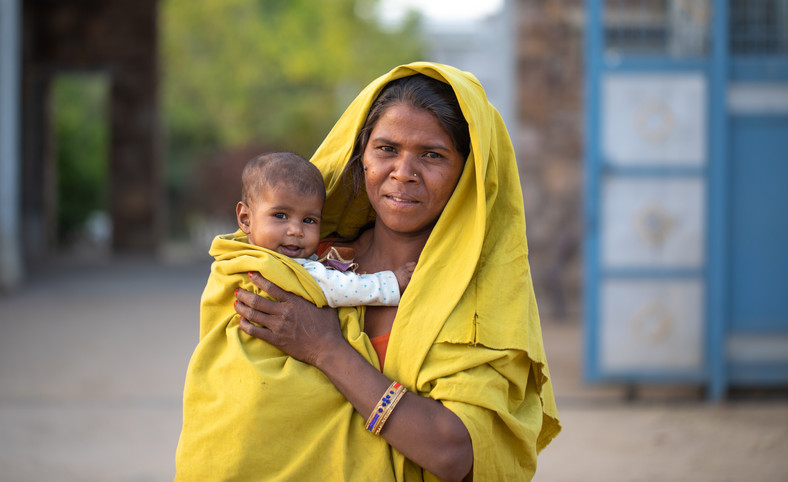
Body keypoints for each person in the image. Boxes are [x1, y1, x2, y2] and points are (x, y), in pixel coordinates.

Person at [176, 62, 560, 481]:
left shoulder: (478, 296)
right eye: (387, 149)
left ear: (467, 174)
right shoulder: (300, 265)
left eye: (432, 155)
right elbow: (233, 402)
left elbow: (454, 452)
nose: (403, 173)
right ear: (361, 158)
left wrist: (326, 350)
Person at [234, 151, 414, 309]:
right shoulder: (290, 269)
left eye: (309, 220)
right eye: (280, 216)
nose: (296, 230)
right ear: (245, 219)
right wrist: (393, 283)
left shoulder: (238, 256)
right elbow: (344, 288)